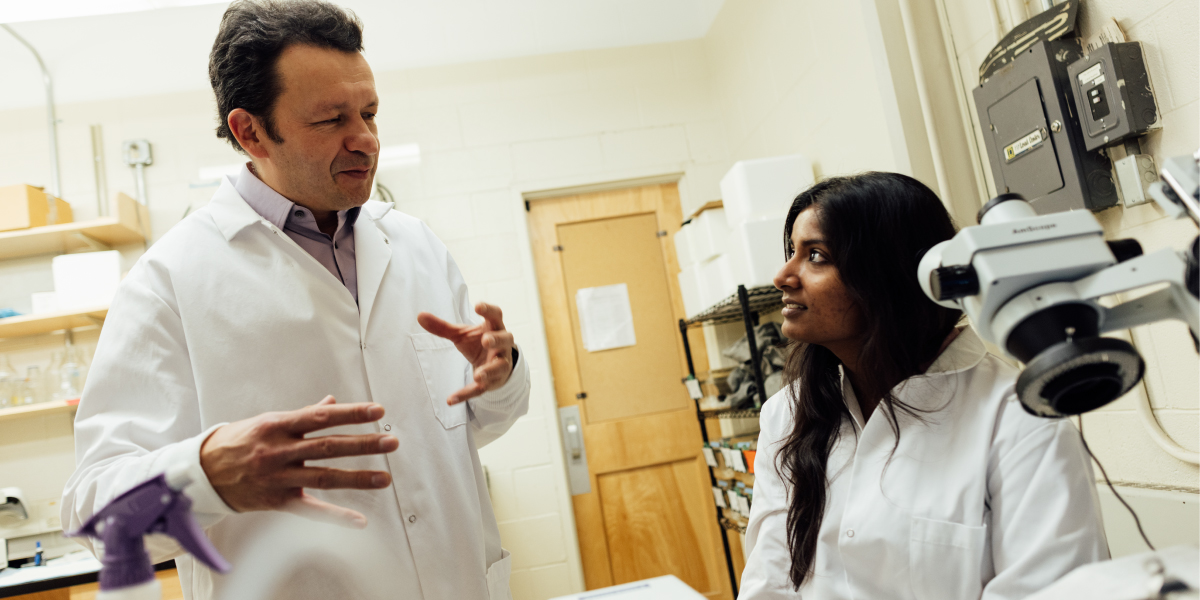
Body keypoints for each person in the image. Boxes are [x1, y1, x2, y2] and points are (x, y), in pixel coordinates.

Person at [61, 2, 529, 599]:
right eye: (331, 119)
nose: (365, 139)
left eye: (370, 112)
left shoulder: (415, 244)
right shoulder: (169, 281)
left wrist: (502, 376)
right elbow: (96, 518)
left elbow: (471, 429)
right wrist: (206, 475)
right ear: (249, 131)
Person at [739, 172, 1108, 599]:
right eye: (791, 252)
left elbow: (1050, 590)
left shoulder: (1018, 416)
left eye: (816, 256)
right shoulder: (786, 413)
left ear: (888, 276)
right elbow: (769, 582)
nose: (783, 276)